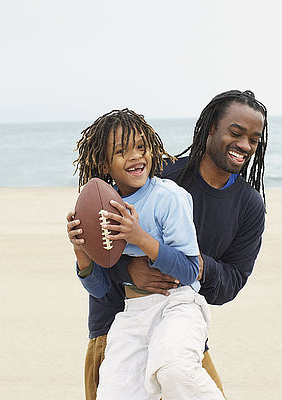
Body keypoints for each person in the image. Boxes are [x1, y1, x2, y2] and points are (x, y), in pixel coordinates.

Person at [77, 90, 268, 399]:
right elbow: (101, 245)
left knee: (178, 372)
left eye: (254, 139)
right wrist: (130, 268)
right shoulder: (156, 173)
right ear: (210, 129)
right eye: (236, 132)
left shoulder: (249, 205)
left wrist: (186, 263)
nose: (245, 145)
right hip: (116, 324)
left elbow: (230, 285)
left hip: (177, 320)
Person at [66, 109, 226, 399]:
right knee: (113, 394)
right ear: (104, 163)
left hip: (178, 306)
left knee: (174, 370)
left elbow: (190, 270)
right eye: (121, 151)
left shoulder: (169, 197)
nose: (136, 156)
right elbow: (100, 289)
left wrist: (139, 237)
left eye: (141, 147)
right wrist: (82, 251)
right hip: (133, 314)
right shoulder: (102, 209)